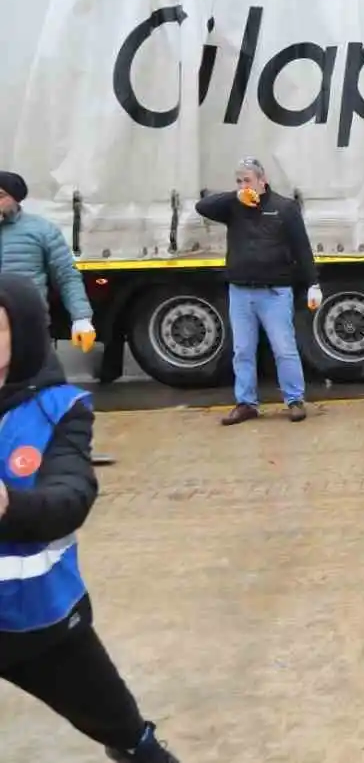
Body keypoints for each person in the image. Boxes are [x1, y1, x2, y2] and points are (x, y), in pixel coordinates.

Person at [0, 273, 181, 762]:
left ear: (23, 336)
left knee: (127, 733)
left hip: (40, 621)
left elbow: (71, 496)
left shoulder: (59, 410)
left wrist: (9, 506)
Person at [194, 158, 319, 426]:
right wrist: (235, 196)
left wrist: (313, 284)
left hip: (275, 292)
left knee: (284, 348)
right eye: (238, 181)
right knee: (242, 350)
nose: (243, 185)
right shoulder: (233, 207)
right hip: (240, 291)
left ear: (263, 181)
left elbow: (302, 249)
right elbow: (202, 206)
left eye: (247, 180)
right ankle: (246, 403)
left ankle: (294, 400)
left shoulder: (284, 208)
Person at [0, 172, 111, 465]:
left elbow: (67, 277)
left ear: (16, 199)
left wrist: (82, 318)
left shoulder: (41, 231)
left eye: (0, 197)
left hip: (28, 331)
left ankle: (70, 450)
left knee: (50, 391)